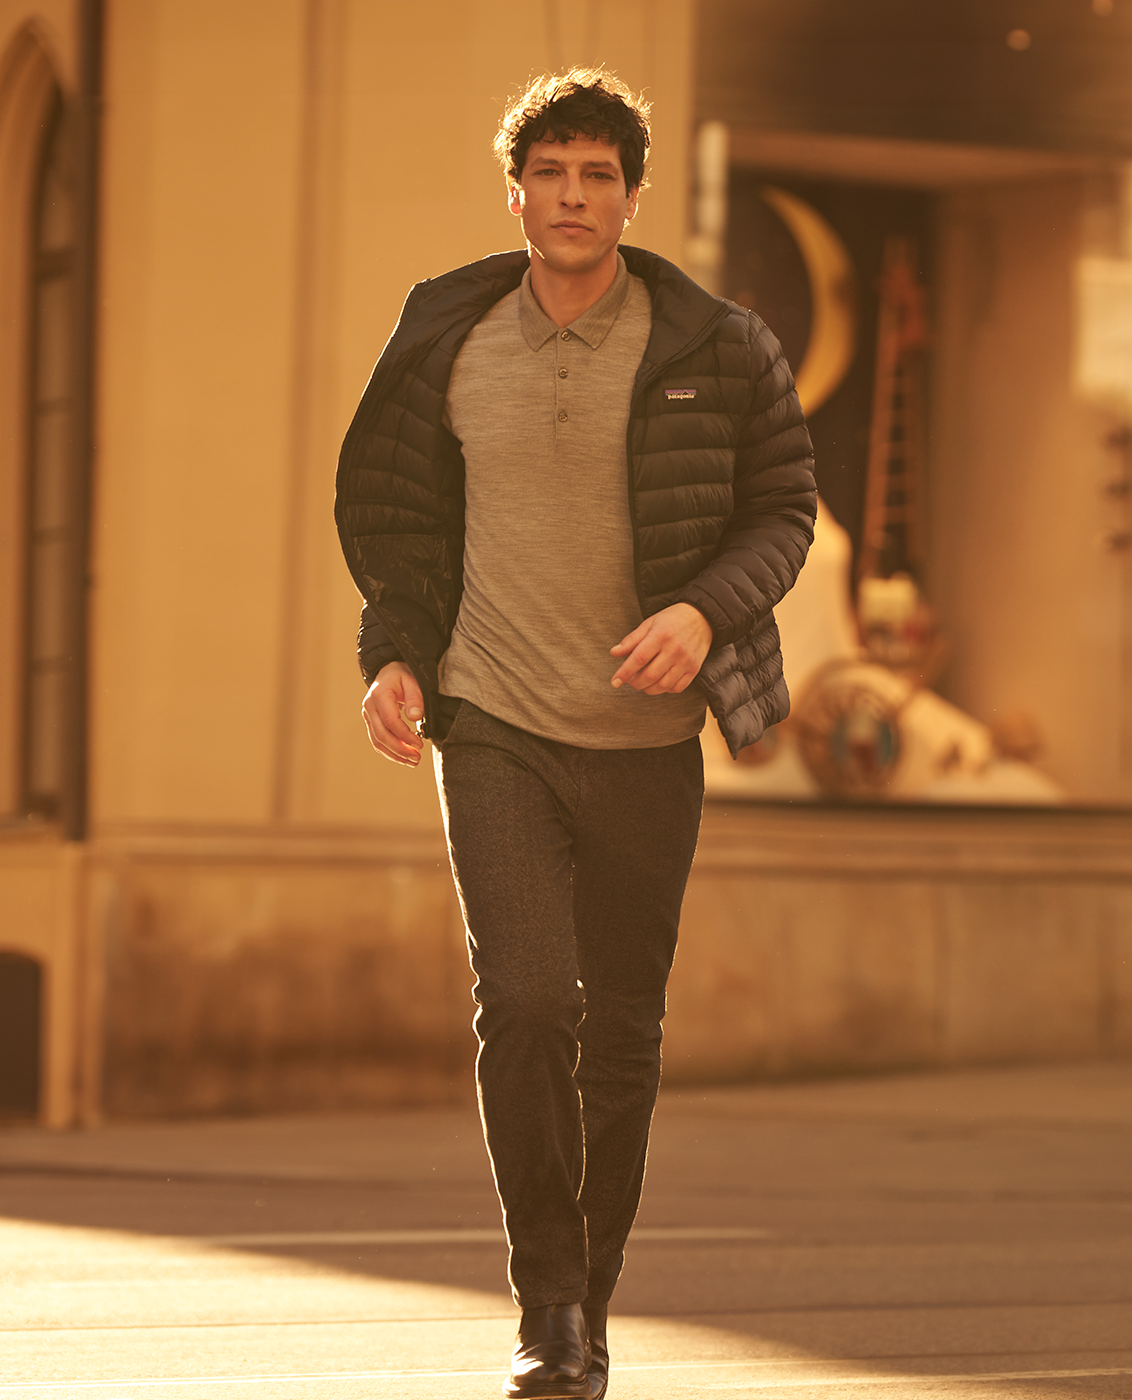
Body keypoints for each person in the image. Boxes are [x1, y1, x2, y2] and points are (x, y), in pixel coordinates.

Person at [333, 68, 815, 1400]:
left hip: (648, 743)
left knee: (622, 1035)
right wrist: (393, 657)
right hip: (494, 723)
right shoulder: (448, 330)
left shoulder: (714, 342)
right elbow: (398, 517)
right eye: (552, 172)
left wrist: (702, 615)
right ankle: (544, 1297)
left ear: (632, 198)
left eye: (599, 176)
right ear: (517, 191)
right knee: (531, 998)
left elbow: (784, 512)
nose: (574, 197)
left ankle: (584, 1307)